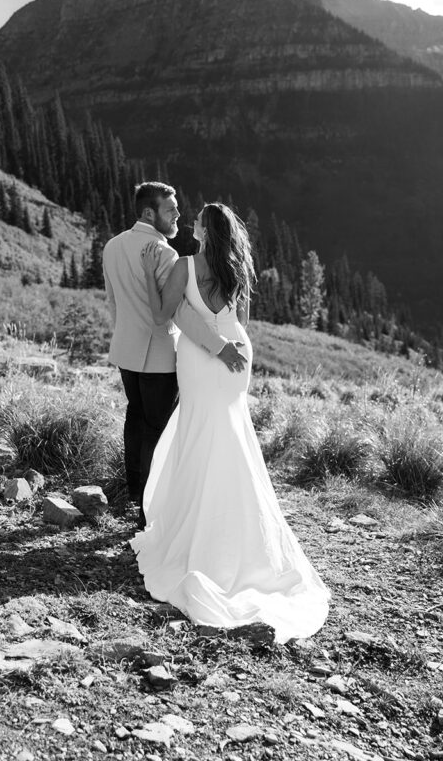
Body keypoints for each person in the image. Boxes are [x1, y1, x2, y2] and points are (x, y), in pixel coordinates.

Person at [131, 202, 330, 643]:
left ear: (203, 229)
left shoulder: (185, 265)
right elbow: (235, 322)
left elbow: (164, 315)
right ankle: (236, 526)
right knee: (230, 434)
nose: (191, 225)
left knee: (199, 430)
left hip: (202, 359)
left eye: (196, 221)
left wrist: (150, 275)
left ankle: (200, 527)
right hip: (238, 355)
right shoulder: (234, 267)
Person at [102, 182, 248, 528]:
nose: (178, 217)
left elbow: (113, 301)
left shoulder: (112, 246)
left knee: (134, 419)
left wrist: (124, 335)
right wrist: (218, 347)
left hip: (126, 350)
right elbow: (180, 314)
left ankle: (136, 492)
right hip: (159, 355)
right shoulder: (164, 253)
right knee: (157, 429)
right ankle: (148, 509)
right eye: (171, 210)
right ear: (149, 213)